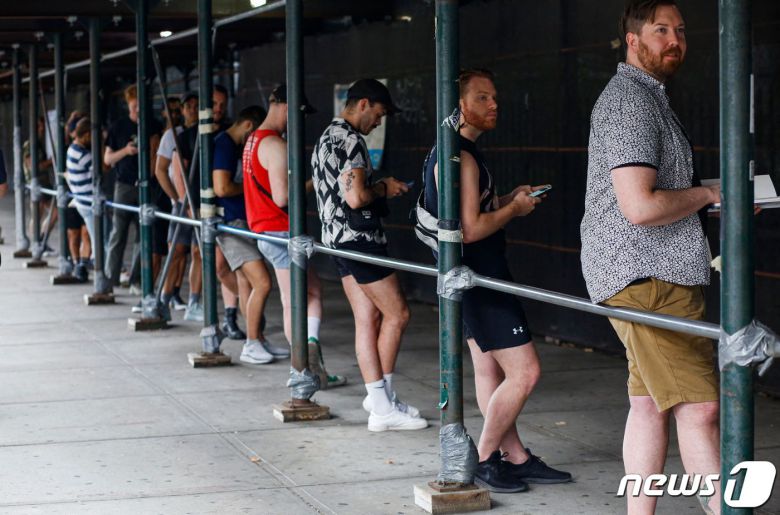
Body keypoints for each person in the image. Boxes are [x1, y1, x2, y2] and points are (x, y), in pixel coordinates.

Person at [580, 2, 721, 513]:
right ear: (633, 40)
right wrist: (709, 194)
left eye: (680, 30)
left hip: (644, 273)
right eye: (661, 30)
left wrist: (708, 194)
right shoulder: (631, 103)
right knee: (700, 408)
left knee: (646, 405)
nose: (675, 40)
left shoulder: (647, 97)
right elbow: (639, 207)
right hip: (647, 275)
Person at [423, 69, 572, 492]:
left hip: (471, 276)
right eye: (482, 98)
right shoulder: (461, 157)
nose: (494, 105)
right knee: (525, 372)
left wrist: (507, 199)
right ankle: (487, 458)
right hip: (480, 276)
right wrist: (515, 210)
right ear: (459, 106)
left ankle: (516, 457)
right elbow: (470, 229)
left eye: (494, 97)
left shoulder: (454, 150)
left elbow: (468, 214)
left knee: (489, 370)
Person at [312, 78, 425, 430]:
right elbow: (357, 197)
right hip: (359, 241)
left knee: (368, 319)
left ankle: (379, 401)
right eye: (379, 113)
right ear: (363, 104)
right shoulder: (351, 140)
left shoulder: (326, 136)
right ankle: (382, 407)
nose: (379, 122)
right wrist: (384, 188)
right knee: (398, 314)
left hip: (335, 239)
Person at [245, 85, 345, 385]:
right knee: (297, 301)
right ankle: (305, 368)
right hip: (279, 229)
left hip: (265, 229)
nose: (298, 121)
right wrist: (315, 181)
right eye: (299, 113)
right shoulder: (275, 144)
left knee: (306, 294)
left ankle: (309, 360)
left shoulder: (253, 140)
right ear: (285, 106)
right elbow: (282, 197)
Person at [211, 104, 286, 364]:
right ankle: (251, 343)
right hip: (232, 224)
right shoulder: (225, 145)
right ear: (248, 126)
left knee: (247, 283)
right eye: (253, 133)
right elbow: (221, 188)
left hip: (242, 222)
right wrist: (253, 184)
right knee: (262, 282)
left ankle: (257, 339)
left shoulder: (232, 145)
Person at [103, 84, 162, 293]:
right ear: (128, 105)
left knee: (143, 235)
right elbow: (108, 159)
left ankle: (136, 279)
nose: (138, 110)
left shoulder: (154, 125)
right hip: (124, 185)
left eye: (141, 106)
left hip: (147, 185)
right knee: (118, 233)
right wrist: (126, 151)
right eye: (134, 106)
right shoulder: (118, 127)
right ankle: (109, 279)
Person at [65, 116, 94, 282]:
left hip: (81, 199)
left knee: (87, 234)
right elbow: (102, 169)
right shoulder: (82, 154)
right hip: (83, 200)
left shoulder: (73, 149)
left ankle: (82, 265)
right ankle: (80, 264)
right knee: (78, 234)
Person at [23, 116, 56, 253]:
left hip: (44, 184)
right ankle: (36, 243)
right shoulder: (30, 144)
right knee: (37, 215)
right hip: (37, 184)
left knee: (55, 212)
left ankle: (42, 239)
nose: (43, 130)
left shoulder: (39, 143)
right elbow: (32, 166)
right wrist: (50, 162)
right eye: (41, 127)